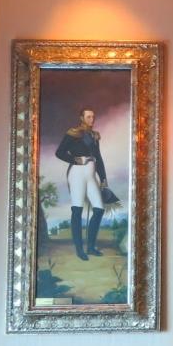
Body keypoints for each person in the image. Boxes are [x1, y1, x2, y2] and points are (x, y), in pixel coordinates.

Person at [55, 107, 109, 261]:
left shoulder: (94, 136)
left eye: (93, 117)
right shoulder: (73, 133)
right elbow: (59, 152)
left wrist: (103, 178)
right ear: (82, 118)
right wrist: (74, 160)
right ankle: (79, 249)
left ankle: (90, 247)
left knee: (99, 209)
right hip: (77, 174)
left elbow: (98, 157)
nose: (92, 119)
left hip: (91, 175)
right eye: (88, 117)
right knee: (77, 210)